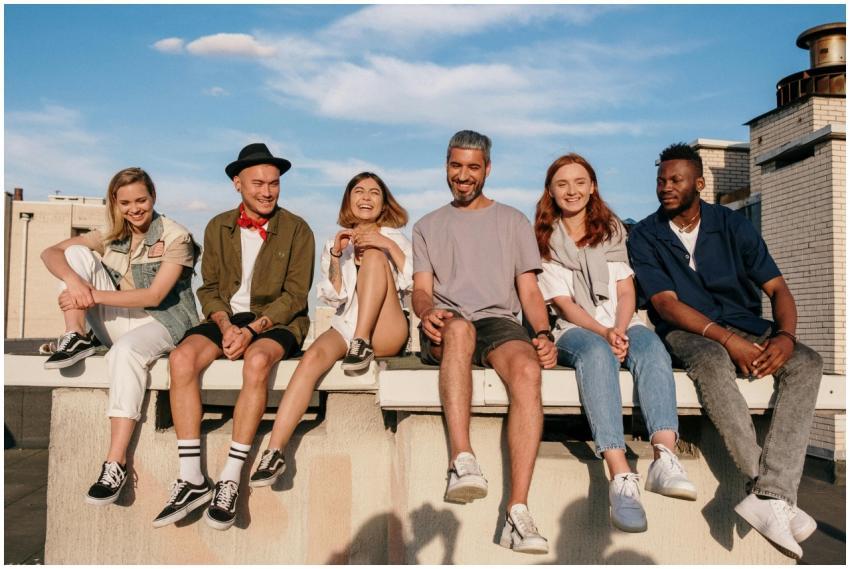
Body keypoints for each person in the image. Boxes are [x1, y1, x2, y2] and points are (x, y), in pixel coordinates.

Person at [628, 142, 822, 559]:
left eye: (675, 180)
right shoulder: (645, 234)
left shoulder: (733, 226)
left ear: (699, 183)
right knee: (713, 360)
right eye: (660, 180)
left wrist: (785, 337)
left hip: (747, 323)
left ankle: (771, 496)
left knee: (807, 361)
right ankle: (770, 492)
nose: (665, 187)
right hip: (687, 331)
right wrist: (728, 339)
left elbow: (778, 289)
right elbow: (665, 304)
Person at [153, 143, 315, 531]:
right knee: (181, 360)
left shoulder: (298, 229)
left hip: (277, 320)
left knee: (257, 361)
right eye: (258, 183)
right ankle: (191, 477)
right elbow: (208, 289)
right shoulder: (217, 226)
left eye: (274, 183)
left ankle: (230, 476)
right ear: (236, 183)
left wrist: (251, 330)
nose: (267, 191)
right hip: (228, 317)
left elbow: (295, 296)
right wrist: (226, 326)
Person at [533, 153, 696, 533]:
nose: (572, 191)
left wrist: (620, 329)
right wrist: (604, 335)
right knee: (596, 356)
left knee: (652, 347)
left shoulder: (611, 230)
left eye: (579, 182)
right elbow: (564, 305)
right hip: (576, 327)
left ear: (592, 187)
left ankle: (664, 455)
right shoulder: (544, 239)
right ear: (551, 192)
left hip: (619, 320)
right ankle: (620, 476)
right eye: (562, 184)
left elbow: (626, 291)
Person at [412, 130, 556, 555]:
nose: (463, 175)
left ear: (487, 169)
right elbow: (422, 290)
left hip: (497, 320)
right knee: (458, 329)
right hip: (448, 321)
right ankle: (462, 461)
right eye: (456, 166)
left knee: (528, 369)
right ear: (446, 167)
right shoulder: (426, 226)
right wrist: (425, 313)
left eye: (473, 167)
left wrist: (543, 333)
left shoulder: (512, 221)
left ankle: (518, 511)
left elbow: (528, 290)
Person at [40, 167, 200, 506]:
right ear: (115, 202)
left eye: (141, 200)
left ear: (153, 196)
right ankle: (75, 335)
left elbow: (154, 297)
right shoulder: (113, 234)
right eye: (125, 202)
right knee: (74, 255)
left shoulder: (176, 236)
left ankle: (115, 462)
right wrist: (77, 283)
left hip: (163, 322)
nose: (135, 209)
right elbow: (49, 253)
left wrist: (90, 296)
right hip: (120, 317)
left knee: (125, 352)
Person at [250, 171, 411, 487]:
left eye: (374, 192)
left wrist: (385, 245)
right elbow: (334, 295)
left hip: (386, 328)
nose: (366, 197)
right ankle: (274, 451)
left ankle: (362, 342)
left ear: (384, 202)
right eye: (359, 191)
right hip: (347, 326)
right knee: (311, 360)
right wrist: (338, 255)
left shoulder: (395, 238)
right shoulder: (335, 242)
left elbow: (416, 282)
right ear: (349, 200)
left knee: (375, 257)